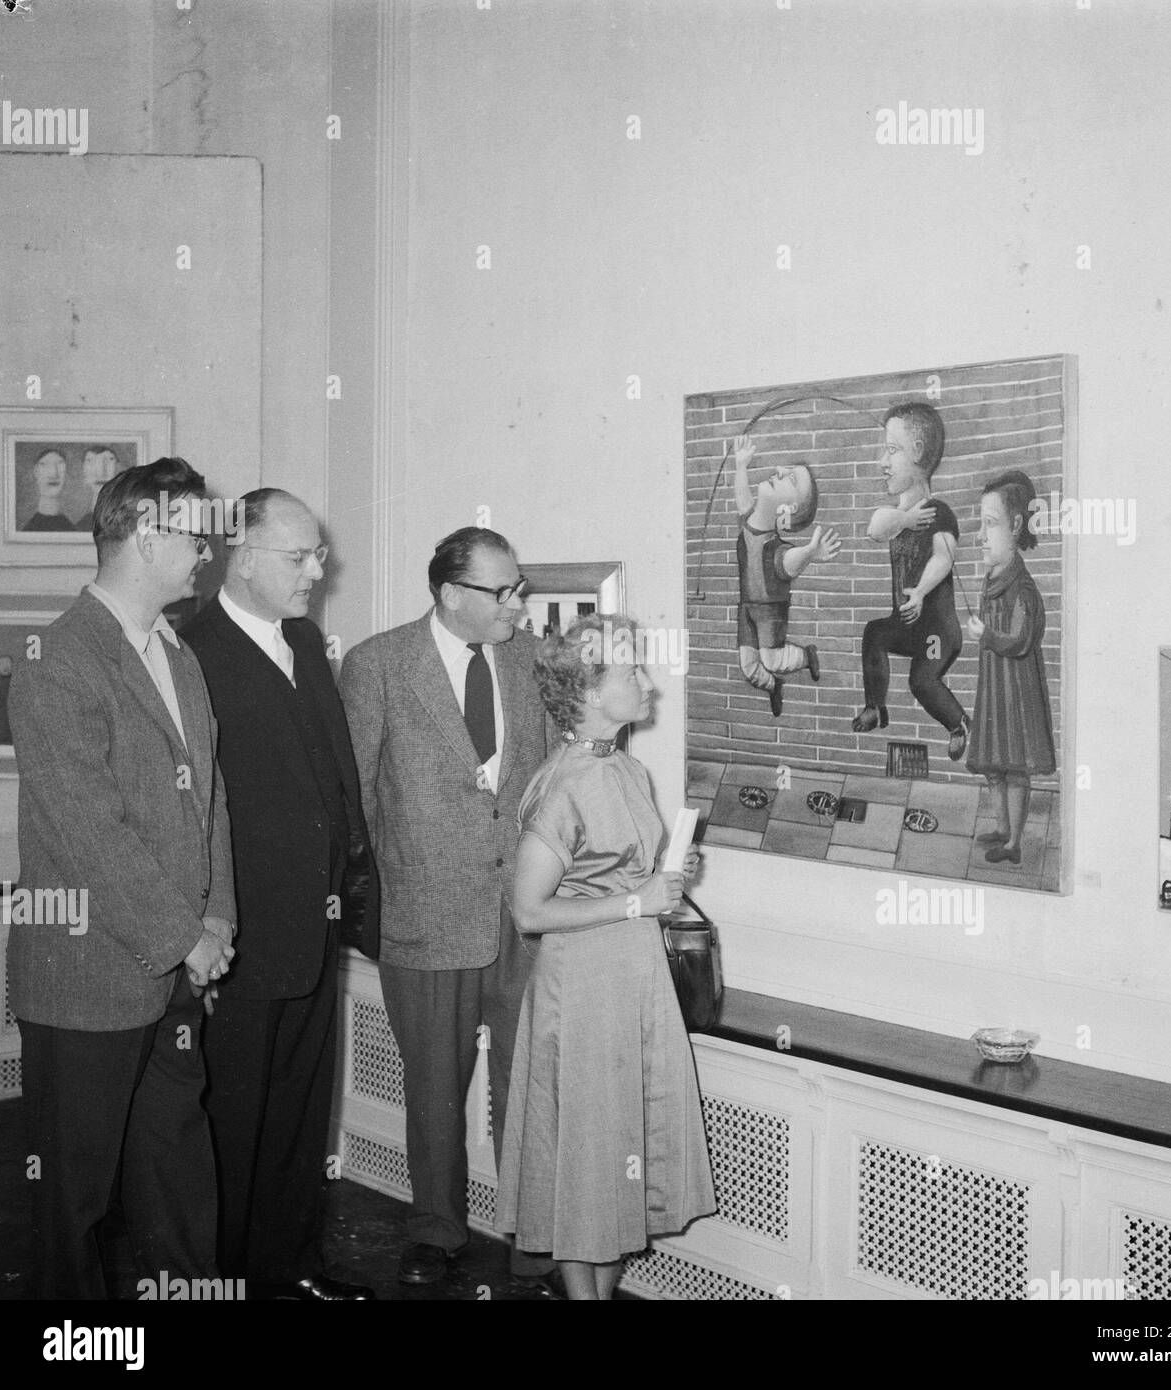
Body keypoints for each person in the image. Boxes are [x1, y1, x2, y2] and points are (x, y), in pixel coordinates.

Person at [8, 457, 236, 1299]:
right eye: (193, 534)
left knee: (179, 1183)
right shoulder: (57, 658)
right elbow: (89, 834)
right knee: (72, 1207)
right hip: (86, 981)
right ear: (147, 531)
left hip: (179, 975)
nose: (207, 551)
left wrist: (215, 928)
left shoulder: (179, 657)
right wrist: (185, 938)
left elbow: (210, 807)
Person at [339, 526, 559, 1291]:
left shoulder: (533, 662)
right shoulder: (378, 665)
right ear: (449, 594)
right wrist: (377, 901)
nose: (517, 602)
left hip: (524, 910)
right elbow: (356, 797)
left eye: (519, 585)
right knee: (434, 1082)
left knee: (527, 1079)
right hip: (425, 912)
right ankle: (435, 1228)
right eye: (502, 591)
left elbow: (560, 780)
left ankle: (531, 1231)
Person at [179, 488, 378, 1300]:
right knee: (230, 1123)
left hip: (314, 927)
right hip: (237, 937)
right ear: (242, 554)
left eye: (318, 553)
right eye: (299, 556)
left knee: (298, 1114)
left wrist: (355, 892)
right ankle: (223, 1280)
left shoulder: (301, 639)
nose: (316, 570)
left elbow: (335, 779)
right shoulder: (191, 648)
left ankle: (290, 1266)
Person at [494, 614, 716, 1300]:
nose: (645, 681)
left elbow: (630, 876)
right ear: (588, 692)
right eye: (629, 672)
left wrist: (668, 878)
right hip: (585, 986)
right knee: (587, 1152)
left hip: (635, 978)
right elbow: (529, 911)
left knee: (624, 1139)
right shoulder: (561, 786)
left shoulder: (626, 768)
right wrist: (636, 902)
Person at [852, 402, 970, 758]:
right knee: (874, 633)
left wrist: (919, 592)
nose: (881, 463)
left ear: (917, 452)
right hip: (906, 625)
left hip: (937, 632)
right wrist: (904, 520)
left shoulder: (939, 512)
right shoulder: (896, 516)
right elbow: (876, 528)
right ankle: (875, 707)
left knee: (921, 681)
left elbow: (944, 557)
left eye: (892, 450)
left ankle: (959, 724)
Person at [965, 470, 1056, 864]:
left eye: (990, 524)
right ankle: (1002, 828)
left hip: (1017, 693)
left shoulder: (1022, 590)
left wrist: (985, 635)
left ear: (1016, 526)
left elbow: (1020, 640)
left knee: (1016, 767)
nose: (981, 536)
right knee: (994, 766)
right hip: (994, 691)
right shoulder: (994, 579)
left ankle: (1014, 843)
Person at [732, 434, 840, 716]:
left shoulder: (776, 547)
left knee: (773, 659)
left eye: (789, 479)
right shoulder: (748, 522)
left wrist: (809, 552)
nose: (779, 470)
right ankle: (773, 686)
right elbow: (744, 500)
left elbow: (788, 563)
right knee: (749, 666)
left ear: (786, 513)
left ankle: (806, 656)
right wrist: (741, 465)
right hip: (746, 609)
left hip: (770, 611)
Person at [21, 448, 74, 532]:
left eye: (60, 464)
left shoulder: (72, 529)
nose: (54, 474)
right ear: (35, 472)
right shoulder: (29, 530)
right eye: (44, 464)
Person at [75, 445, 119, 533]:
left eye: (109, 460)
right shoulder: (79, 527)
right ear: (83, 469)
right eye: (90, 461)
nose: (100, 472)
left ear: (119, 467)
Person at [0, 654, 11, 744]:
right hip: (0, 716)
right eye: (2, 663)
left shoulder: (16, 681)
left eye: (8, 662)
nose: (5, 666)